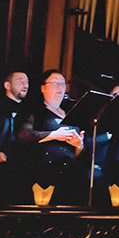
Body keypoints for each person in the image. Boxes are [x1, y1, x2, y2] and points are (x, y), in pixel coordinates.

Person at [17, 70, 86, 204]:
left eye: (62, 83)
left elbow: (79, 153)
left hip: (69, 176)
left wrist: (79, 146)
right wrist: (53, 135)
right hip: (42, 174)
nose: (60, 87)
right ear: (43, 88)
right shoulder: (35, 111)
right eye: (54, 83)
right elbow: (23, 135)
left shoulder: (72, 114)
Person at [0, 69, 29, 205]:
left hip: (17, 172)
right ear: (7, 85)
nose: (25, 84)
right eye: (20, 81)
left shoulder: (28, 112)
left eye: (27, 81)